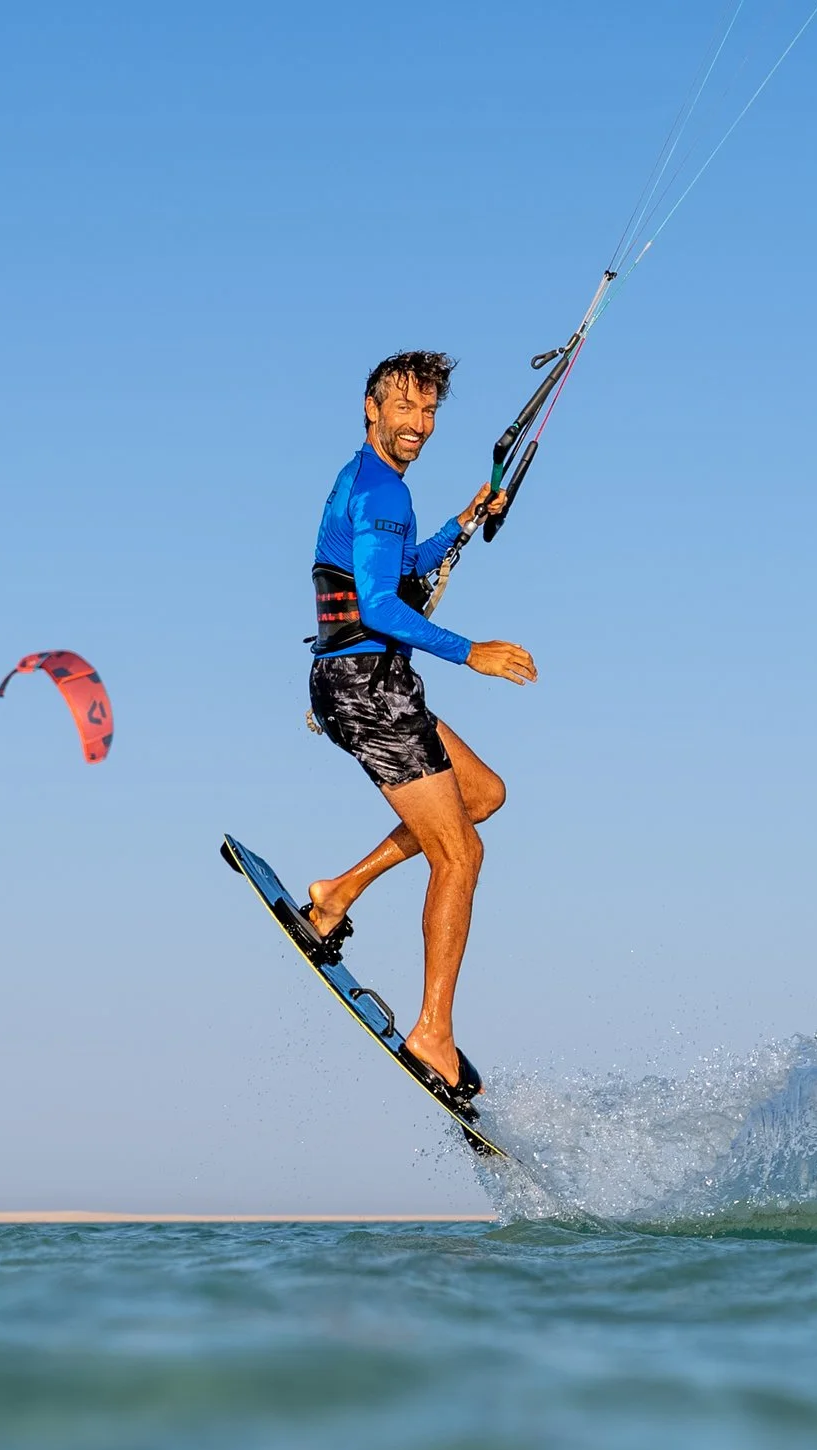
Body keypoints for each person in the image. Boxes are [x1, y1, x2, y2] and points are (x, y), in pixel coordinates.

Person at [301, 350, 537, 1093]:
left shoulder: (381, 488)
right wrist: (472, 654)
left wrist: (466, 519)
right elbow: (377, 607)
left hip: (380, 682)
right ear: (373, 408)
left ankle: (336, 894)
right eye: (405, 408)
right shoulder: (377, 487)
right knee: (460, 856)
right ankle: (433, 1031)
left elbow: (401, 574)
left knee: (484, 795)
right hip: (365, 687)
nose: (419, 424)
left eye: (430, 411)